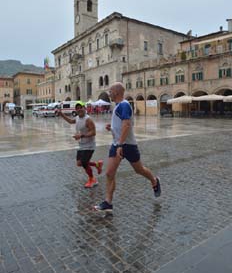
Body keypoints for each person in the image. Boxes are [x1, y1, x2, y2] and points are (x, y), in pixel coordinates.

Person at [94, 82, 161, 212]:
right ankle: (108, 202)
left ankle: (154, 181)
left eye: (110, 91)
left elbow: (126, 125)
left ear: (117, 92)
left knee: (139, 169)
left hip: (127, 145)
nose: (109, 93)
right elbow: (120, 125)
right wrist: (112, 128)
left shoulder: (124, 105)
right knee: (109, 174)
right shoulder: (118, 106)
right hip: (117, 144)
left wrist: (120, 144)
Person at [59, 101, 103, 188]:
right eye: (77, 108)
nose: (79, 109)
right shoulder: (78, 118)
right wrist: (62, 114)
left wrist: (81, 135)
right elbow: (71, 121)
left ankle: (92, 179)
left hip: (90, 145)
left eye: (81, 107)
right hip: (82, 144)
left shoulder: (88, 120)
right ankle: (97, 164)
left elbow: (93, 132)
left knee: (84, 163)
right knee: (79, 163)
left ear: (84, 108)